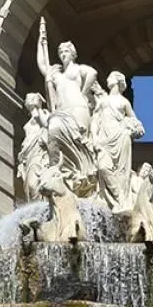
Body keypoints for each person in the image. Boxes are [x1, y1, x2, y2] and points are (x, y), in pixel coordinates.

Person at [36, 18, 98, 196]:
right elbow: (42, 65)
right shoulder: (57, 75)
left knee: (80, 141)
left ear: (73, 54)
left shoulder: (77, 69)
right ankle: (64, 174)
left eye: (66, 51)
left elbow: (93, 73)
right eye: (60, 51)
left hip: (78, 107)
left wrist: (84, 93)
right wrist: (40, 43)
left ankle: (84, 179)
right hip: (61, 112)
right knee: (54, 131)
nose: (63, 53)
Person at [91, 71, 145, 213]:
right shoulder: (102, 101)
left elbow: (138, 124)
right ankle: (118, 198)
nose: (107, 79)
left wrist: (129, 130)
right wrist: (95, 138)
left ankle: (121, 203)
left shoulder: (124, 102)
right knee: (103, 167)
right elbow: (95, 121)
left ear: (118, 81)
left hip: (121, 139)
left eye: (110, 77)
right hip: (104, 140)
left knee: (122, 173)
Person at [17, 92, 50, 201]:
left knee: (33, 184)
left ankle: (41, 206)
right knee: (28, 186)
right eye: (28, 99)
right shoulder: (29, 120)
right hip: (27, 154)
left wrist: (39, 108)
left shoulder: (43, 114)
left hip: (38, 152)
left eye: (31, 98)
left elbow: (46, 125)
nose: (29, 100)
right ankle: (34, 204)